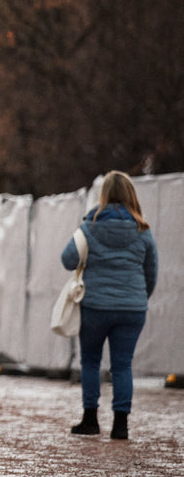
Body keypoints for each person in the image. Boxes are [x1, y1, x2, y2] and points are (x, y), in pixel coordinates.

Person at [63, 170, 158, 440]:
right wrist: (138, 297)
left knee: (91, 361)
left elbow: (68, 259)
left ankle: (91, 420)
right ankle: (120, 425)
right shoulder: (143, 230)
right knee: (123, 365)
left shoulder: (89, 227)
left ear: (103, 195)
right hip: (132, 308)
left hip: (94, 306)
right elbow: (152, 272)